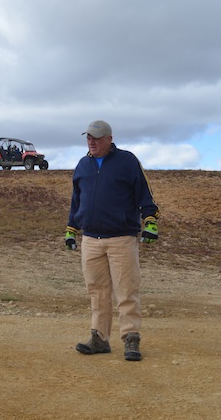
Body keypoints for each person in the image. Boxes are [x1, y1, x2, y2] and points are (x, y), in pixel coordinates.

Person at [65, 120, 159, 362]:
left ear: (109, 138)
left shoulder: (127, 161)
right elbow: (77, 201)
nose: (91, 142)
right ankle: (99, 338)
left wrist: (149, 220)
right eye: (88, 137)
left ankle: (131, 338)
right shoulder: (82, 165)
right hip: (90, 239)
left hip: (121, 238)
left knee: (126, 289)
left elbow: (144, 194)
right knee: (97, 291)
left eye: (96, 137)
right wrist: (71, 229)